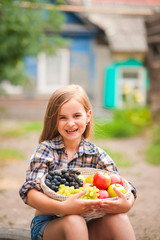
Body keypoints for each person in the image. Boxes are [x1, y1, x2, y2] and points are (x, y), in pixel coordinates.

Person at [19, 84, 137, 240]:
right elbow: (30, 193)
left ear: (88, 116)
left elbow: (124, 185)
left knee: (120, 218)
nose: (70, 123)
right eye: (62, 117)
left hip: (88, 224)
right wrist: (63, 207)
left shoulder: (96, 154)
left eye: (76, 116)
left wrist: (127, 204)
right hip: (49, 225)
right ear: (54, 120)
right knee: (74, 221)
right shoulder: (46, 151)